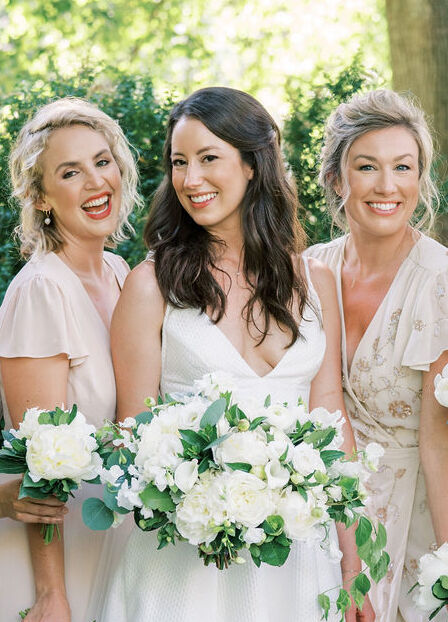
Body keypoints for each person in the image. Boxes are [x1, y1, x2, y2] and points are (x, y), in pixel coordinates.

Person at [98, 87, 373, 622]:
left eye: (208, 158)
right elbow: (131, 434)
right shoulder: (152, 285)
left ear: (252, 164)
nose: (190, 180)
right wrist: (202, 495)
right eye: (179, 162)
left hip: (295, 557)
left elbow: (332, 420)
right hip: (184, 560)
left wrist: (350, 563)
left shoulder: (316, 281)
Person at [306, 89, 448, 621]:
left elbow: (439, 440)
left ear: (420, 179)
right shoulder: (307, 270)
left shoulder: (440, 282)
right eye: (367, 167)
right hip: (320, 511)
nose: (387, 186)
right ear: (337, 180)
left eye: (403, 168)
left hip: (414, 513)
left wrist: (446, 561)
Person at [0, 97, 141, 622]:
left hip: (118, 535)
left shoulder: (120, 273)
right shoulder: (41, 291)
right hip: (66, 552)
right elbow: (38, 462)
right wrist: (51, 594)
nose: (95, 183)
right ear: (40, 197)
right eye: (70, 172)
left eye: (102, 162)